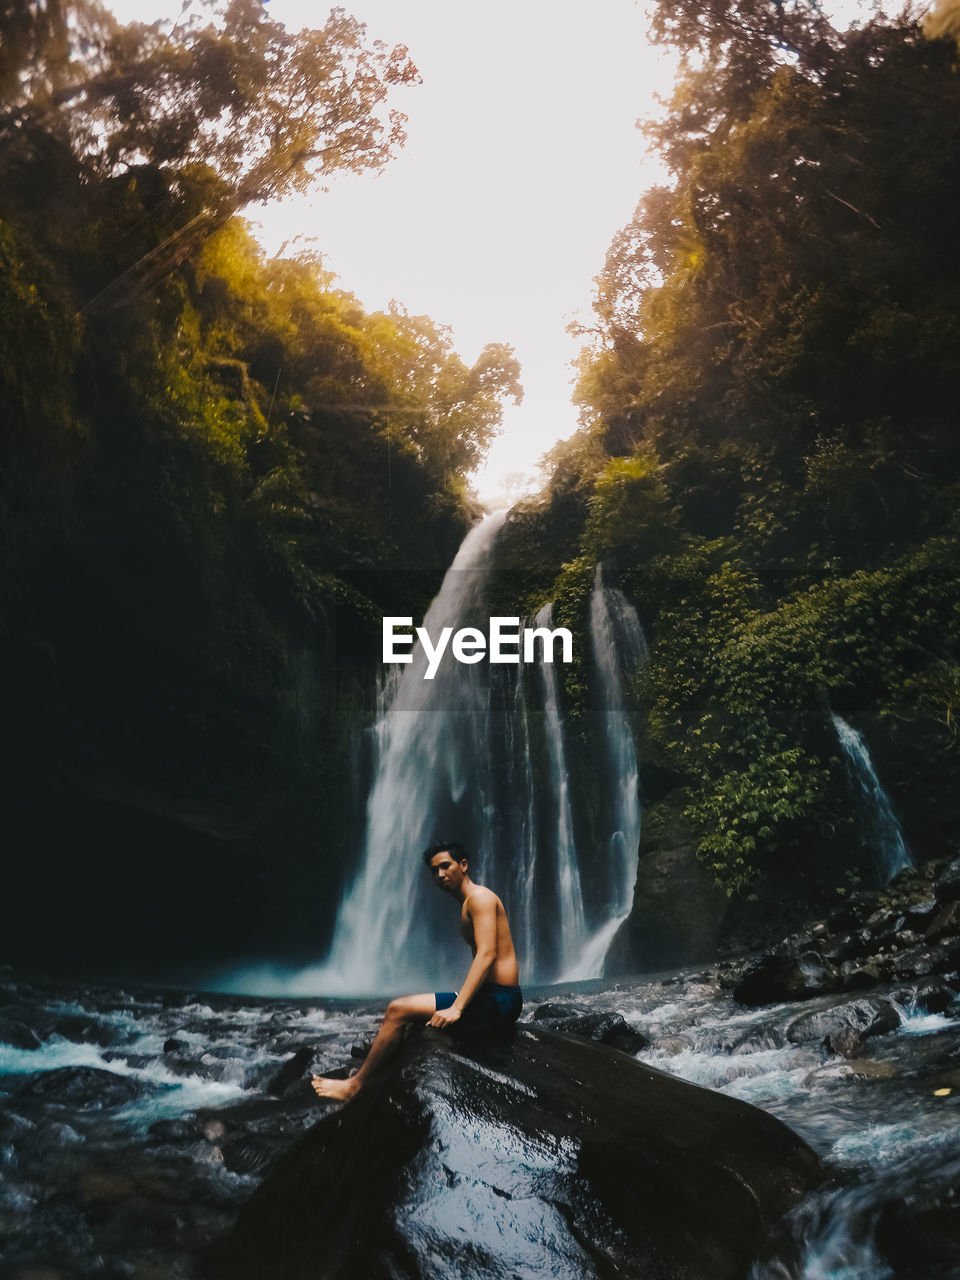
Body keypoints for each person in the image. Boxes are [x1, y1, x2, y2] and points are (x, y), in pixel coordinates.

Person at [311, 842, 522, 1101]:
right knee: (414, 1019)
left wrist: (457, 1007)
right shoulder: (470, 902)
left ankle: (355, 1084)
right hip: (495, 998)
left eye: (446, 866)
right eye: (435, 871)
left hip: (499, 1001)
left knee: (397, 1010)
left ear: (463, 865)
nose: (440, 875)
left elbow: (487, 954)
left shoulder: (479, 898)